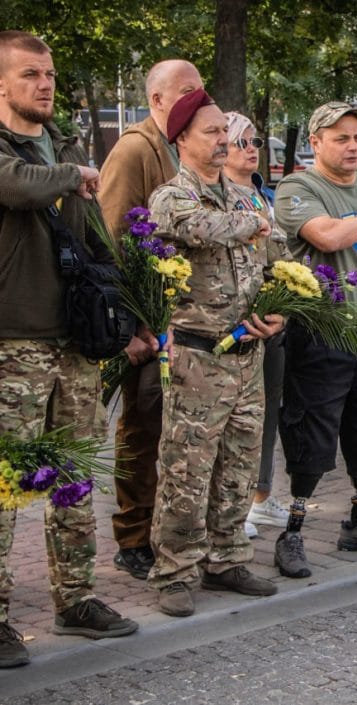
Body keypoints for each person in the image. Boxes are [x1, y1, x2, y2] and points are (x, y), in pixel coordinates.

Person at [0, 30, 138, 668]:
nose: (45, 84)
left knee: (76, 475)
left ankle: (76, 598)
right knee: (5, 485)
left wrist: (130, 315)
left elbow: (92, 237)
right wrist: (73, 173)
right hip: (13, 342)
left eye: (49, 73)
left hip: (75, 341)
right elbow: (19, 188)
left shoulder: (67, 144)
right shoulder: (20, 154)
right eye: (30, 74)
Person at [147, 88, 282, 617]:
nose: (224, 141)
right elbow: (200, 230)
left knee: (240, 463)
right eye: (212, 132)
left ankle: (227, 556)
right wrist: (256, 220)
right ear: (181, 139)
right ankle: (175, 570)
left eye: (225, 132)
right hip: (198, 359)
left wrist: (279, 312)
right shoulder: (173, 196)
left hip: (249, 355)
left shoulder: (246, 196)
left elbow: (278, 260)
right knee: (187, 468)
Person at [272, 102, 357, 577]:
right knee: (312, 434)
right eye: (341, 138)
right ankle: (293, 533)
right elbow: (327, 237)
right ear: (316, 143)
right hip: (322, 330)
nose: (352, 146)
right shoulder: (298, 187)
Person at [98, 58, 203, 581]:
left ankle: (169, 530)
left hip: (183, 319)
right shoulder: (136, 148)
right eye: (185, 91)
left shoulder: (186, 146)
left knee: (172, 428)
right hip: (148, 320)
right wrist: (132, 323)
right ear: (158, 100)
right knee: (140, 427)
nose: (195, 98)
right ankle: (133, 535)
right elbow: (113, 235)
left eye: (200, 90)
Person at [221, 112, 292, 536]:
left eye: (255, 142)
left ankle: (261, 496)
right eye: (240, 142)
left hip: (272, 317)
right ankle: (234, 503)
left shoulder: (264, 192)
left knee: (268, 410)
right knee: (233, 417)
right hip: (235, 322)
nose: (250, 149)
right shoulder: (217, 195)